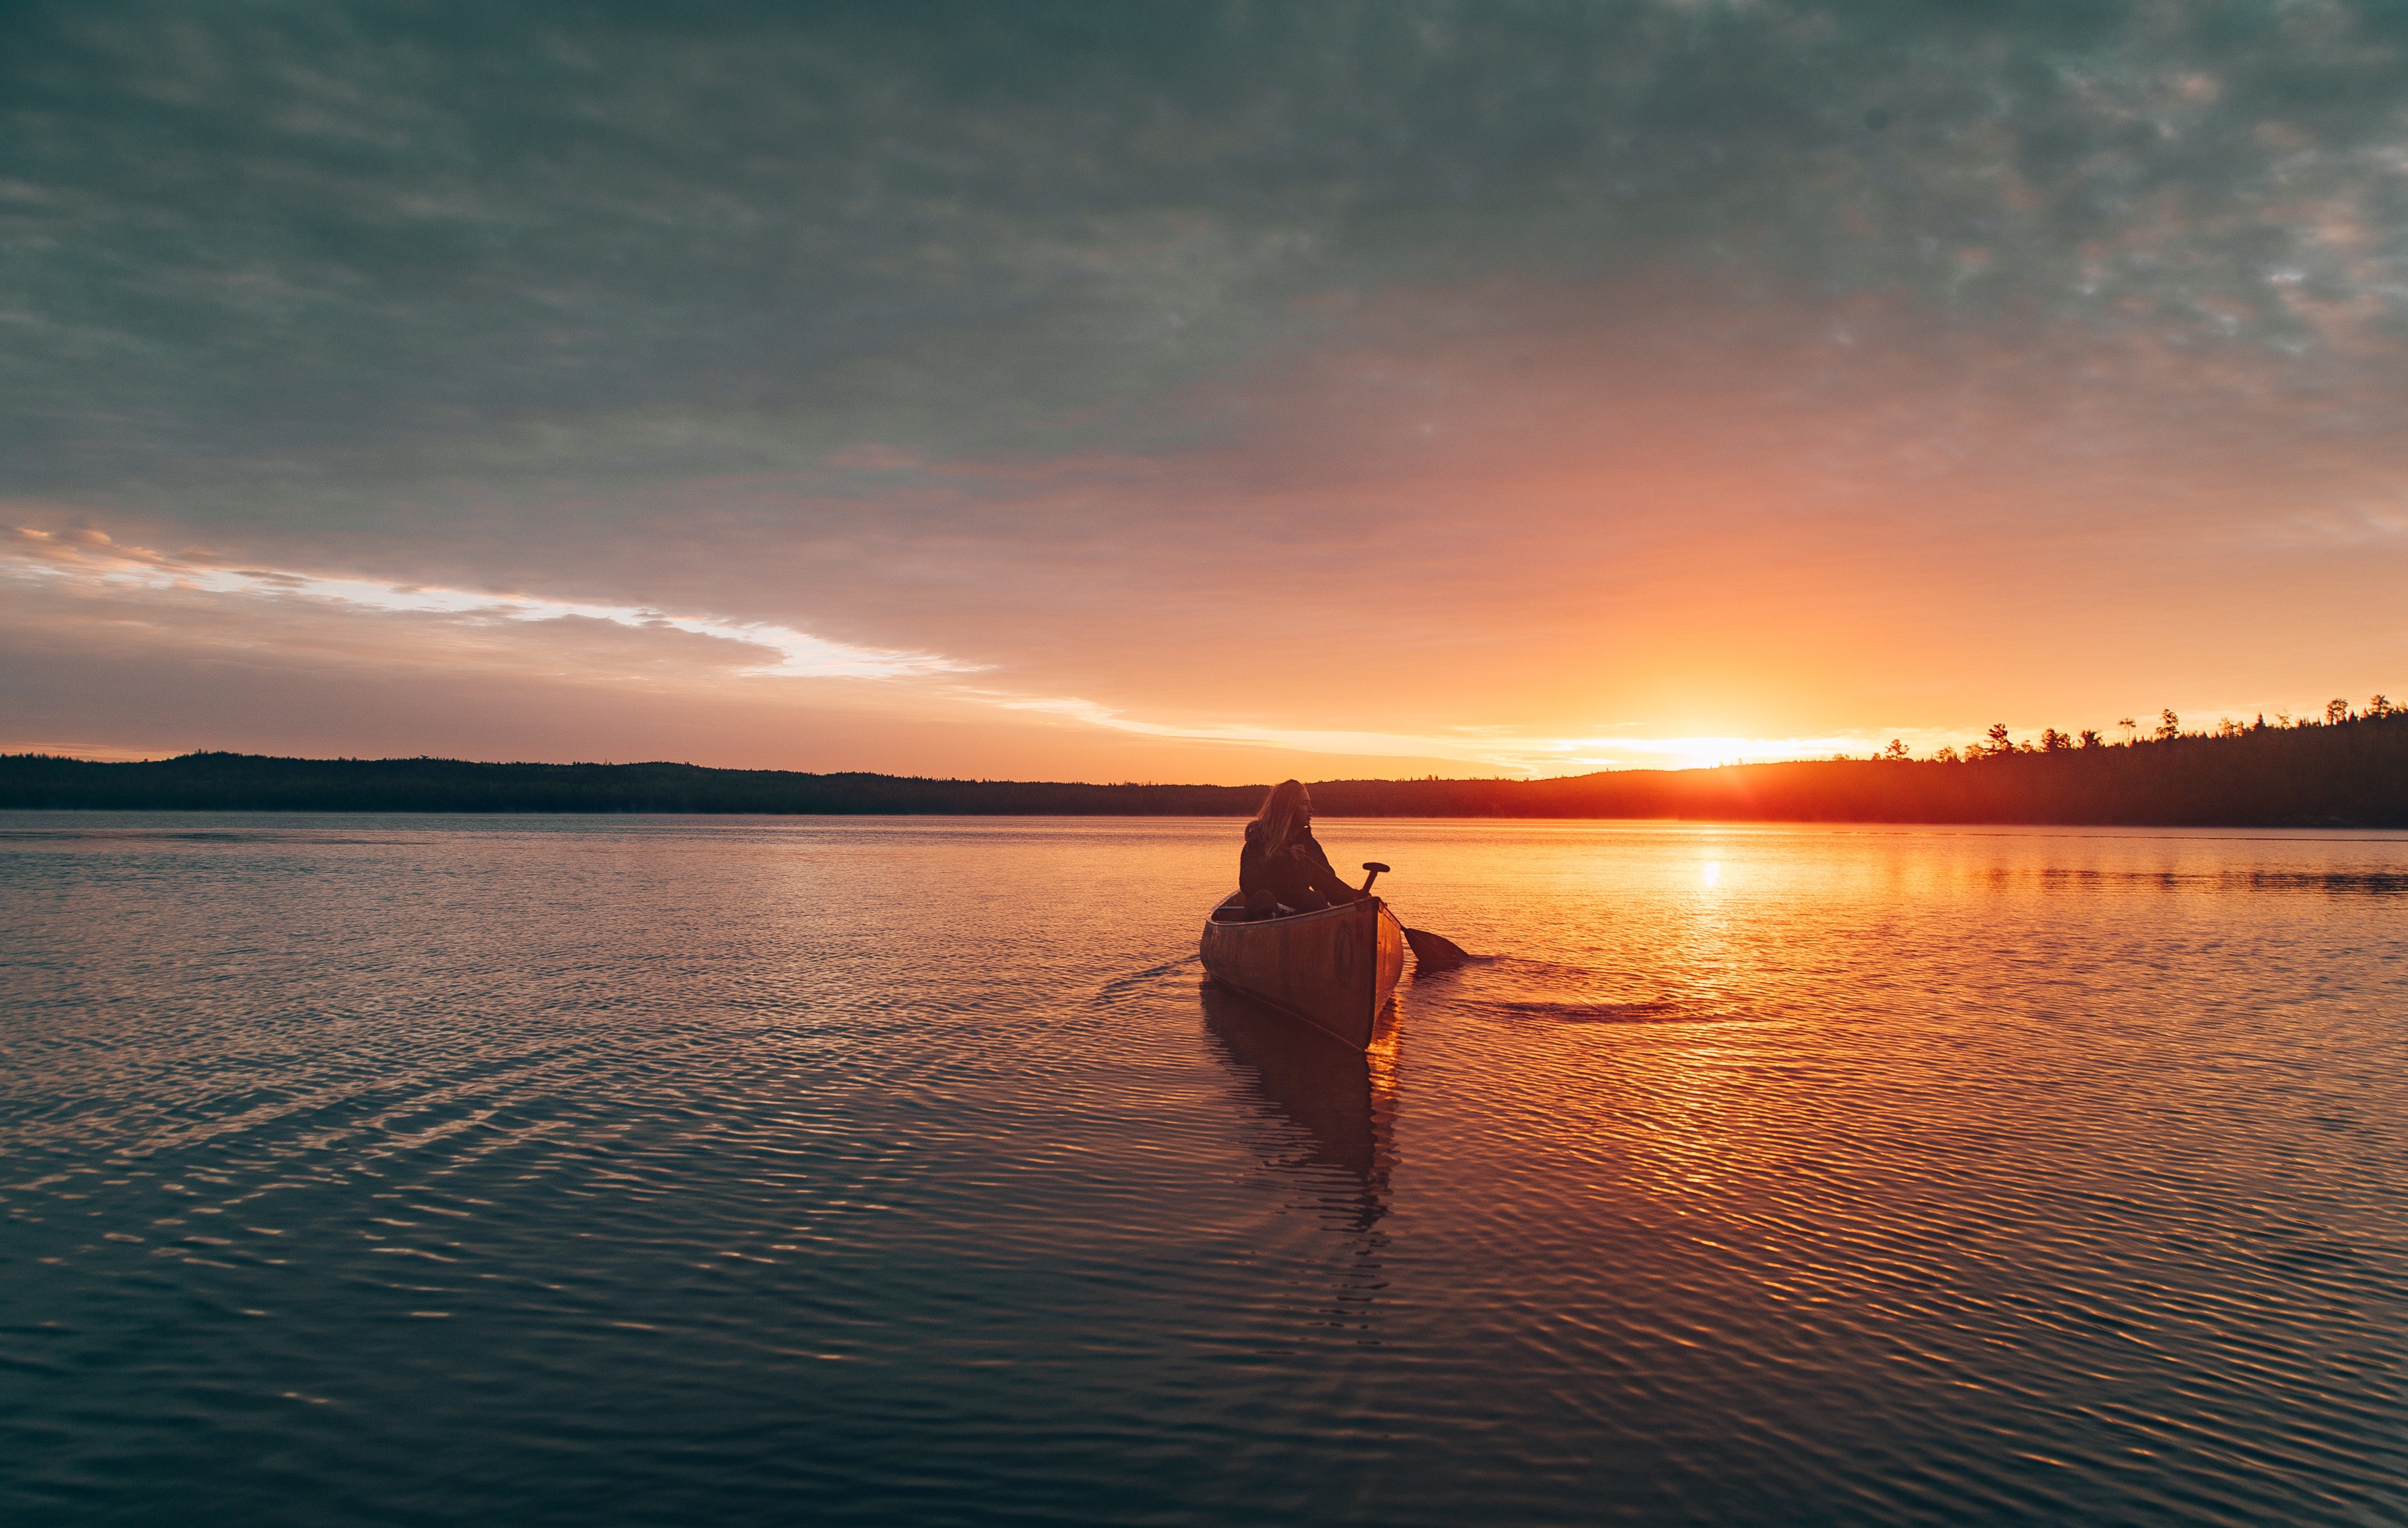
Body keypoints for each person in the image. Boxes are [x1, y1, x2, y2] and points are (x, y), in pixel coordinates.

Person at [1239, 779, 1366, 919]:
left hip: (1299, 918)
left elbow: (1327, 885)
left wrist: (1355, 897)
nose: (1311, 809)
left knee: (1316, 899)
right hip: (1262, 915)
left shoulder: (1310, 847)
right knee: (1264, 898)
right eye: (1305, 804)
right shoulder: (1257, 843)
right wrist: (1284, 860)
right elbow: (1249, 886)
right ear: (1288, 808)